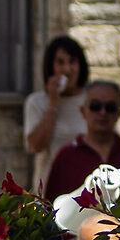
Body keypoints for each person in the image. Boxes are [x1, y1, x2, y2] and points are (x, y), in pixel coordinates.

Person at [21, 34, 90, 194]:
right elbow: (35, 146)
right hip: (50, 192)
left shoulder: (91, 103)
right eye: (60, 62)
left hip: (87, 193)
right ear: (51, 67)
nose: (67, 69)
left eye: (72, 62)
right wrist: (53, 105)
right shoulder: (37, 102)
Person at [42, 80, 120, 203]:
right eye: (95, 106)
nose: (103, 113)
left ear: (118, 114)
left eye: (110, 108)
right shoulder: (66, 157)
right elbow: (51, 208)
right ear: (83, 111)